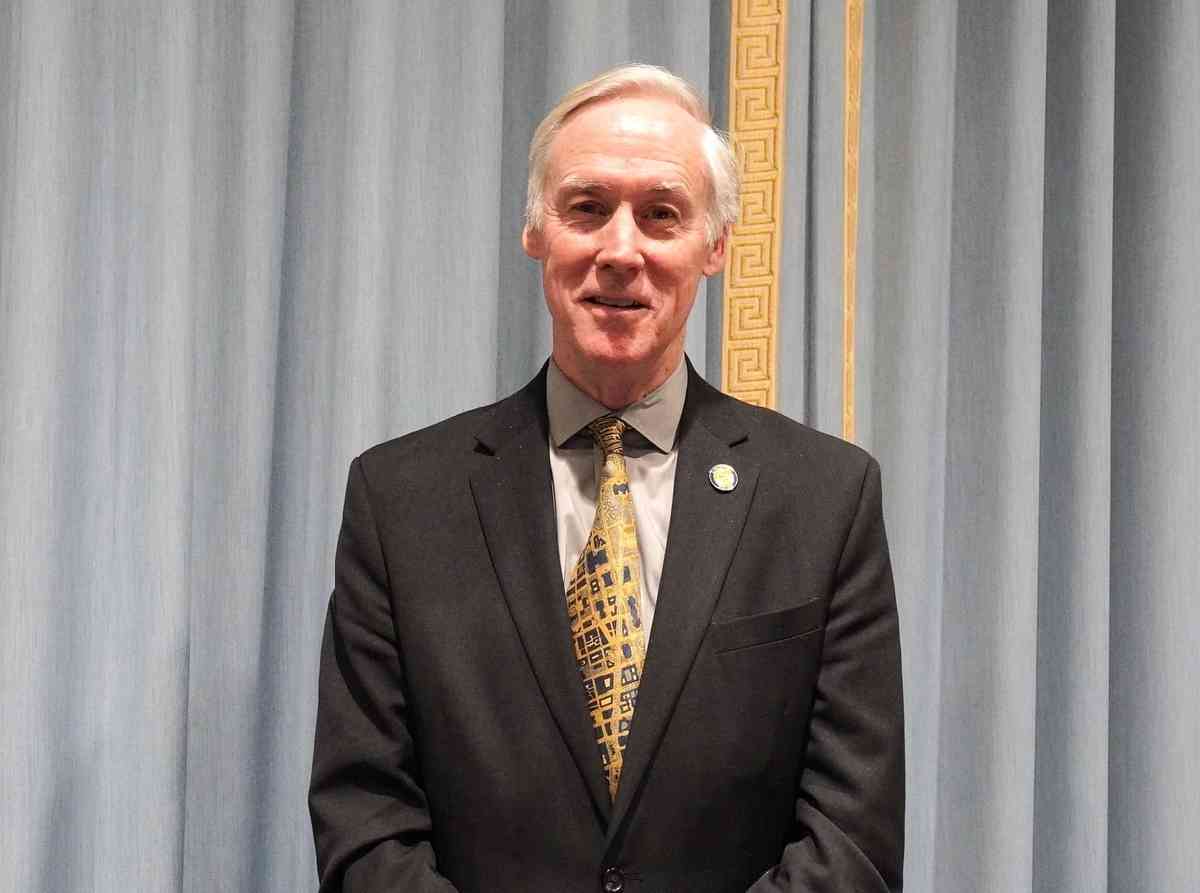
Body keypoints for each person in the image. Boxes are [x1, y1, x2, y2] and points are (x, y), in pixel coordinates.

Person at [309, 64, 903, 893]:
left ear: (715, 246)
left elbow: (852, 841)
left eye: (662, 214)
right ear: (536, 232)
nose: (621, 250)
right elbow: (364, 826)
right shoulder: (400, 501)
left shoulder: (826, 499)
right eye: (587, 208)